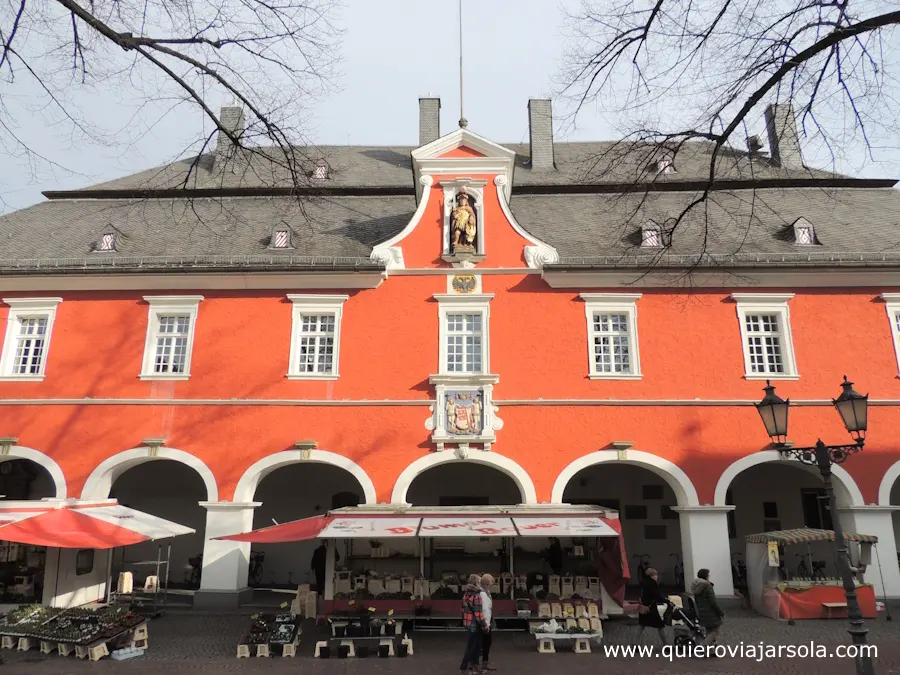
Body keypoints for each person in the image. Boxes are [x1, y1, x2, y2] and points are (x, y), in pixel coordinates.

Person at [460, 573, 488, 673]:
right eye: (479, 582)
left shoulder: (466, 594)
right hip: (476, 624)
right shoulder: (477, 596)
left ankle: (476, 666)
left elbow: (462, 610)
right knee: (472, 647)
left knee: (476, 646)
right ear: (476, 583)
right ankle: (463, 668)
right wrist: (485, 626)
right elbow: (478, 614)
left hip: (468, 623)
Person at [690, 568, 724, 647]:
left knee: (709, 630)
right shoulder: (707, 586)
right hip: (710, 612)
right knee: (716, 630)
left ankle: (710, 649)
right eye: (708, 575)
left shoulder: (696, 586)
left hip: (702, 612)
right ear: (706, 576)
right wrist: (720, 612)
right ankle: (703, 645)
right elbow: (713, 602)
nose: (709, 576)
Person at [636, 567, 669, 645]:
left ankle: (635, 644)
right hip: (651, 608)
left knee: (641, 625)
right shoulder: (653, 583)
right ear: (652, 576)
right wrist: (666, 601)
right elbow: (657, 595)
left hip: (644, 607)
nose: (657, 576)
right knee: (660, 626)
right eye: (655, 575)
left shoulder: (645, 583)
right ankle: (666, 645)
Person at [479, 574, 496, 671]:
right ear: (487, 583)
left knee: (487, 643)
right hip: (484, 623)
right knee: (485, 643)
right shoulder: (483, 594)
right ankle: (481, 664)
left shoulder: (486, 591)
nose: (492, 584)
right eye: (491, 582)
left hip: (486, 622)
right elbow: (485, 610)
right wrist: (486, 625)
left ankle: (484, 662)